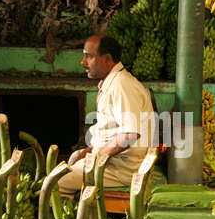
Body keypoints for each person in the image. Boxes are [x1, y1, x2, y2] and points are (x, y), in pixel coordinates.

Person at [58, 34, 155, 199]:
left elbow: (130, 134)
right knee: (73, 158)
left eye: (88, 56)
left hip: (120, 169)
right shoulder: (113, 82)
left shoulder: (122, 85)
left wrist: (97, 157)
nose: (83, 62)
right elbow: (111, 130)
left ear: (107, 59)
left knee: (56, 182)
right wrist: (90, 150)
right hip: (112, 161)